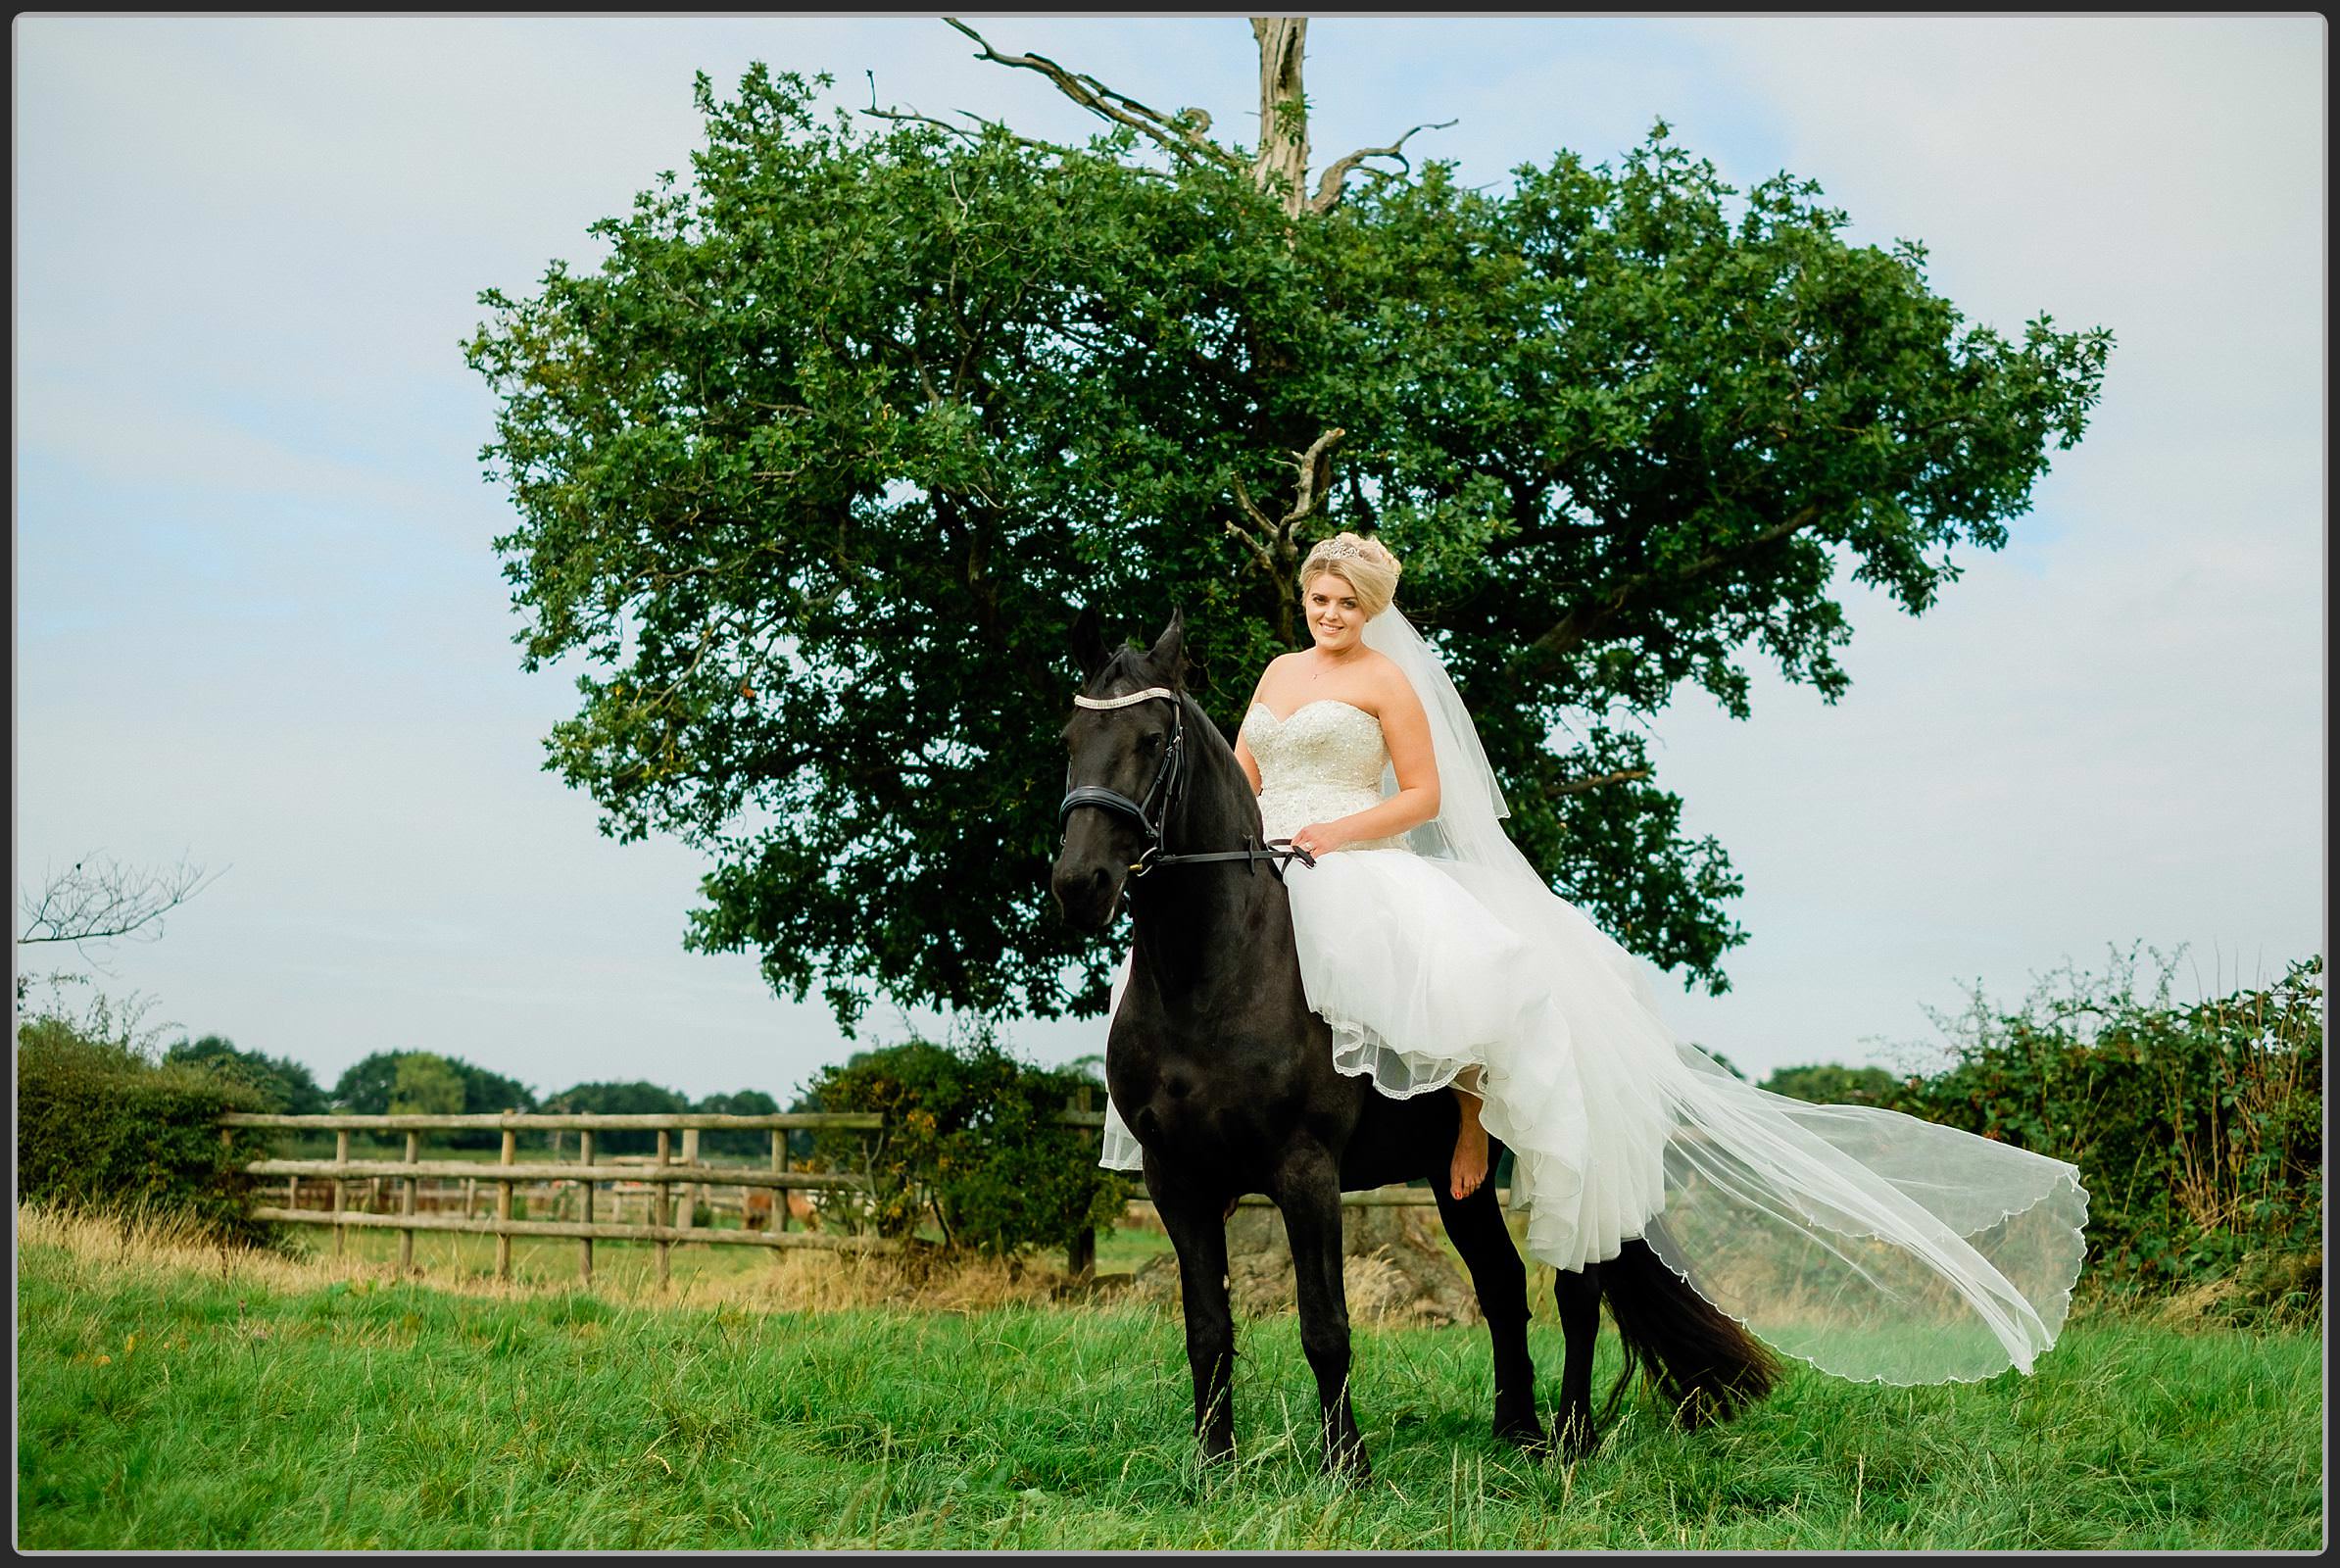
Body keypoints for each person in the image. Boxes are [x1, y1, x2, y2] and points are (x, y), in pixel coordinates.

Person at [1098, 530, 2090, 1388]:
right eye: (1317, 598)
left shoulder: (1385, 681)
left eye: (1344, 602)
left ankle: (1467, 1125)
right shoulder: (1277, 676)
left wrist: (1336, 836)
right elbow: (1244, 775)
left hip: (1358, 860)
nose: (1327, 613)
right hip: (1271, 858)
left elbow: (1423, 798)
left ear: (1370, 610)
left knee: (1470, 976)